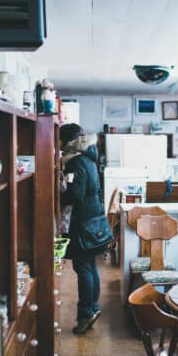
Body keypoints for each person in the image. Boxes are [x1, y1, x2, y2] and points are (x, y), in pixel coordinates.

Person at [60, 123, 110, 335]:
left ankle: (85, 314)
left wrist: (57, 193)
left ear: (66, 141)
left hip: (82, 223)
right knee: (90, 266)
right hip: (93, 221)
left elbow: (75, 196)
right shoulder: (89, 158)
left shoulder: (76, 162)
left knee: (83, 268)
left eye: (59, 140)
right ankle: (93, 308)